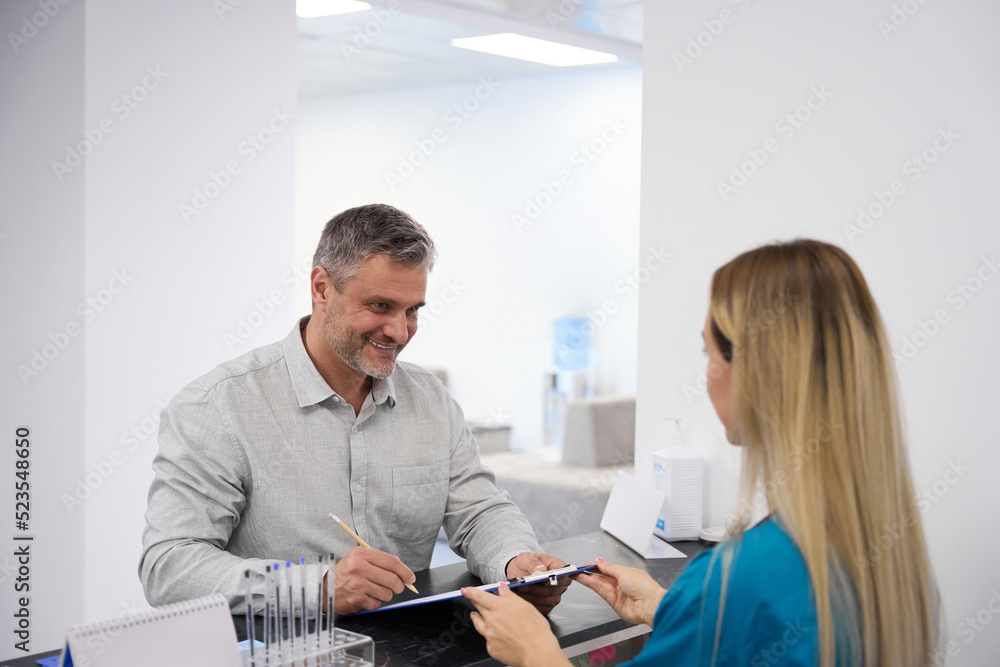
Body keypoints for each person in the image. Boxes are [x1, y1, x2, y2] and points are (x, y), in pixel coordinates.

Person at [463, 240, 940, 666]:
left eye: (708, 354)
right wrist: (679, 612)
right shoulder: (895, 563)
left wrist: (535, 653)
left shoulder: (737, 581)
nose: (707, 374)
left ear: (757, 375)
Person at [139, 203, 568, 616]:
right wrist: (320, 588)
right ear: (321, 288)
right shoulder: (217, 406)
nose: (400, 332)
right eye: (380, 306)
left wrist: (516, 563)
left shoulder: (431, 400)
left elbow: (479, 512)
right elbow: (170, 566)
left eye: (412, 310)